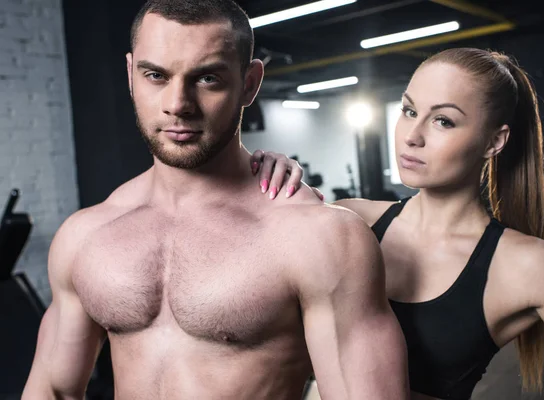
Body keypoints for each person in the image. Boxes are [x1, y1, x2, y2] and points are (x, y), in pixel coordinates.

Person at [21, 1, 410, 399]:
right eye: (155, 75)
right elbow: (52, 388)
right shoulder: (86, 234)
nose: (177, 104)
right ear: (130, 73)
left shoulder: (320, 237)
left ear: (249, 83)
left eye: (207, 78)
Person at [250, 47, 544, 400]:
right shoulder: (351, 219)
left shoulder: (527, 265)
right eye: (409, 110)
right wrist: (258, 175)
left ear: (495, 141)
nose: (411, 135)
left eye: (443, 120)